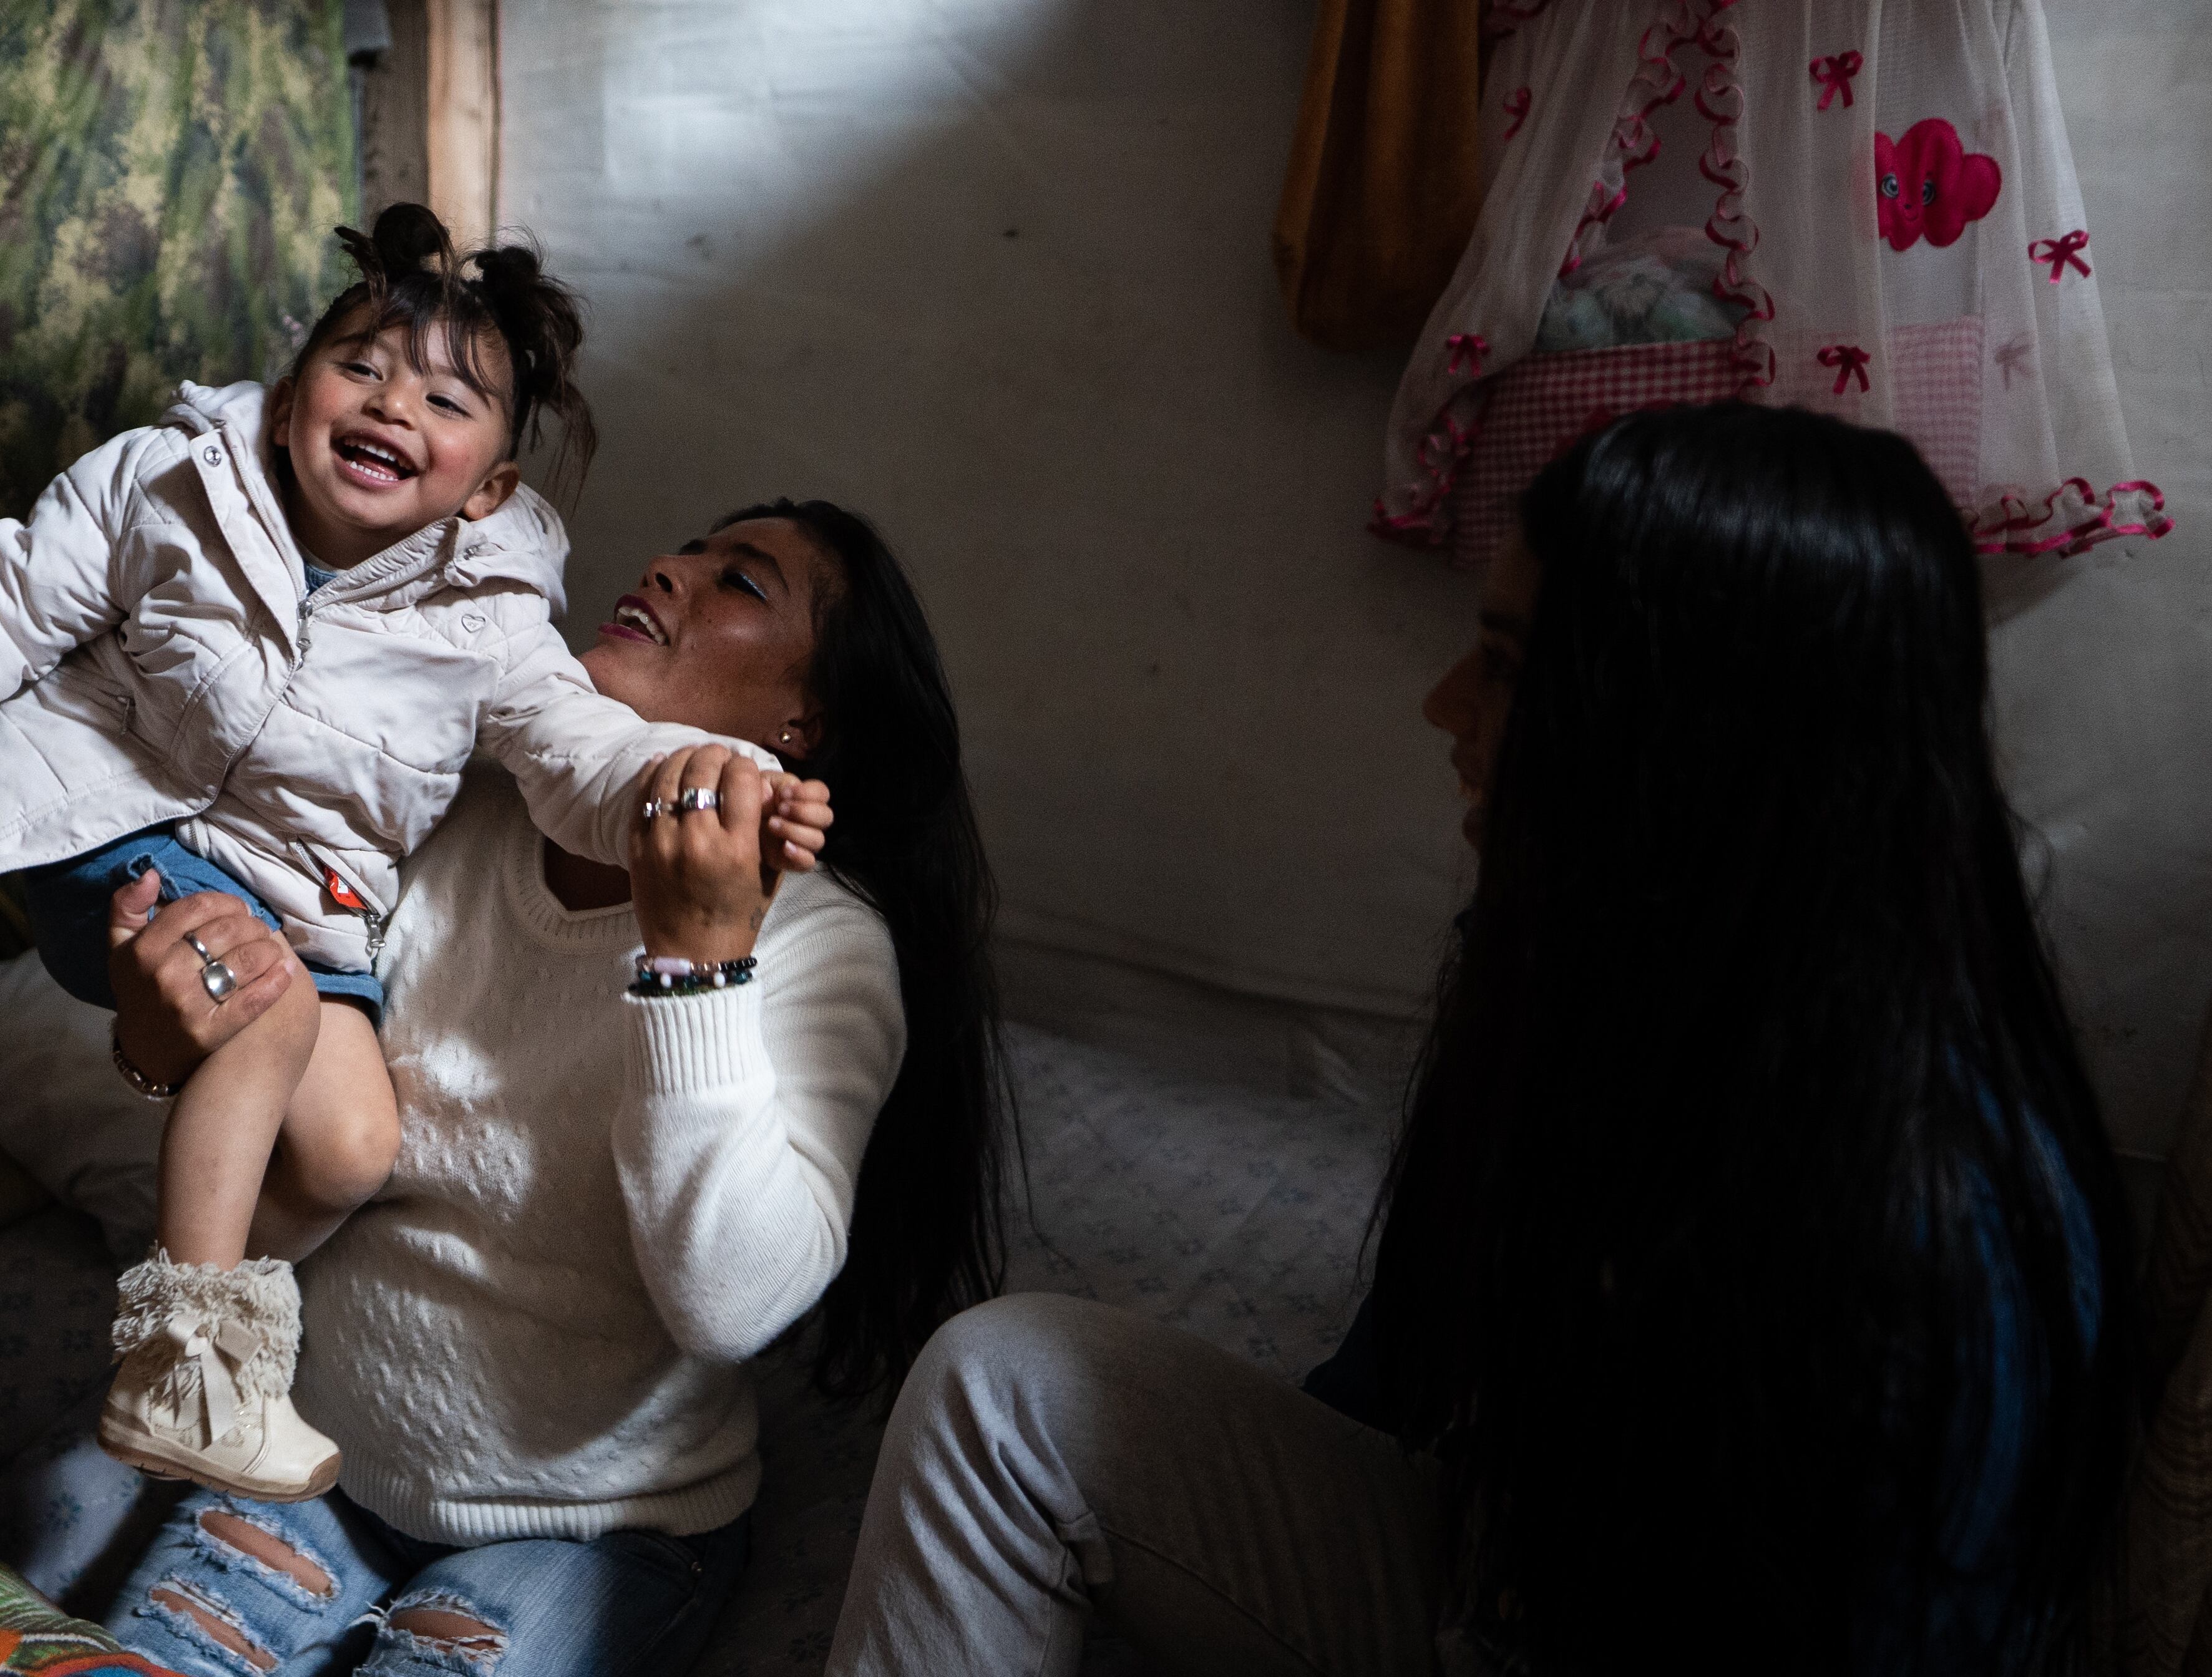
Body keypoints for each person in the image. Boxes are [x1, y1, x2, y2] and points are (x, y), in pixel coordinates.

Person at [824, 404, 2138, 1675]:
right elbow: (1392, 1390)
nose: (1445, 708)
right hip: (1505, 1576)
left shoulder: (1930, 1234)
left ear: (1684, 732)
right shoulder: (1568, 961)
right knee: (1005, 1386)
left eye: (1506, 665)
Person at [0, 205, 823, 1502]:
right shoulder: (168, 483)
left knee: (353, 1144)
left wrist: (719, 784)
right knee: (270, 1018)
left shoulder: (494, 616)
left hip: (296, 895)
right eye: (360, 367)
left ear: (493, 485)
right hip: (109, 822)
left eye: (448, 400)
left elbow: (580, 751)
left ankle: (191, 1299)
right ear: (294, 390)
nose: (392, 405)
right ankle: (183, 1368)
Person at [92, 500, 1008, 1677]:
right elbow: (267, 1148)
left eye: (740, 583)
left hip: (599, 1530)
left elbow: (728, 1305)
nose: (671, 567)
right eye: (687, 547)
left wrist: (695, 964)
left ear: (803, 719)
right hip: (312, 1462)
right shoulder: (444, 814)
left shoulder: (817, 946)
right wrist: (154, 1046)